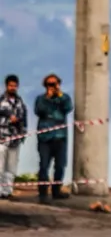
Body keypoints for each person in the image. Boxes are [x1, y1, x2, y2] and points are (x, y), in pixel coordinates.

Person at [34, 74, 74, 203]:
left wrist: (59, 94)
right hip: (45, 138)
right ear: (45, 86)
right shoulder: (41, 99)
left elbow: (68, 107)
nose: (52, 86)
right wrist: (48, 97)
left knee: (60, 166)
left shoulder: (64, 97)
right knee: (44, 166)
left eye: (54, 83)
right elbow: (39, 110)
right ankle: (43, 193)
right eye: (49, 84)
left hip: (60, 137)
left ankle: (56, 191)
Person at [0, 74, 28, 200]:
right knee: (0, 165)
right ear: (6, 86)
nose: (13, 88)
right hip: (1, 138)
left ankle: (7, 191)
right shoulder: (1, 101)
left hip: (15, 139)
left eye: (15, 86)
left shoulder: (20, 102)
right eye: (10, 85)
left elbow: (24, 118)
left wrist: (23, 133)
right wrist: (8, 118)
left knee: (11, 167)